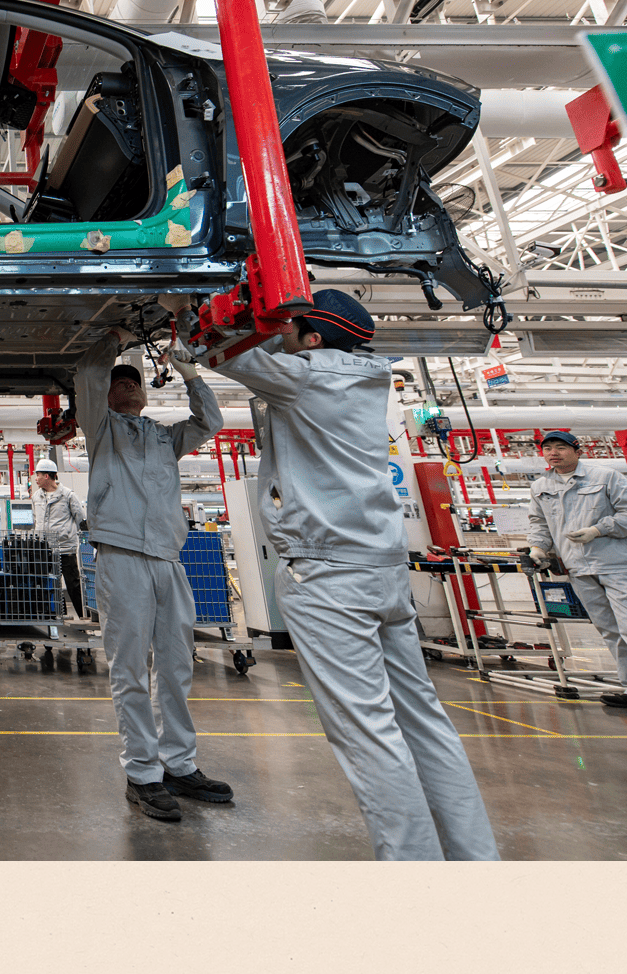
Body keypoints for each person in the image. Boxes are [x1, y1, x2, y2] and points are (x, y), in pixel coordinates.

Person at [214, 289, 500, 860]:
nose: (279, 334)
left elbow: (222, 351)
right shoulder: (365, 380)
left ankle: (413, 873)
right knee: (424, 723)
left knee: (367, 733)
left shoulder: (307, 377)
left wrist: (185, 300)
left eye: (287, 327)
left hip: (330, 580)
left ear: (313, 339)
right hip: (383, 573)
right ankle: (474, 861)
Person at [75, 328, 232, 823]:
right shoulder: (101, 430)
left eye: (135, 380)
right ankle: (142, 772)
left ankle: (179, 764)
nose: (130, 386)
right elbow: (87, 377)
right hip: (121, 557)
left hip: (168, 558)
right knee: (130, 670)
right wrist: (112, 343)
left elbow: (212, 420)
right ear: (108, 394)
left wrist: (191, 374)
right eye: (120, 382)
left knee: (176, 666)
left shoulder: (164, 437)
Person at [526, 431, 627, 725]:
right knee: (610, 630)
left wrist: (600, 529)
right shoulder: (540, 487)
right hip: (579, 568)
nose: (553, 453)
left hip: (618, 564)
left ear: (577, 450)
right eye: (548, 448)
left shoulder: (605, 477)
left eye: (561, 447)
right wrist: (538, 548)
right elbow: (539, 522)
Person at [28, 459, 88, 620]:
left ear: (47, 476)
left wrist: (86, 542)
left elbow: (81, 519)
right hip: (44, 549)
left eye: (38, 474)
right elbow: (36, 520)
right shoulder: (36, 497)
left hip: (65, 548)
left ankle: (84, 618)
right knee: (47, 585)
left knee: (73, 585)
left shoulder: (68, 495)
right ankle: (55, 617)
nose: (36, 478)